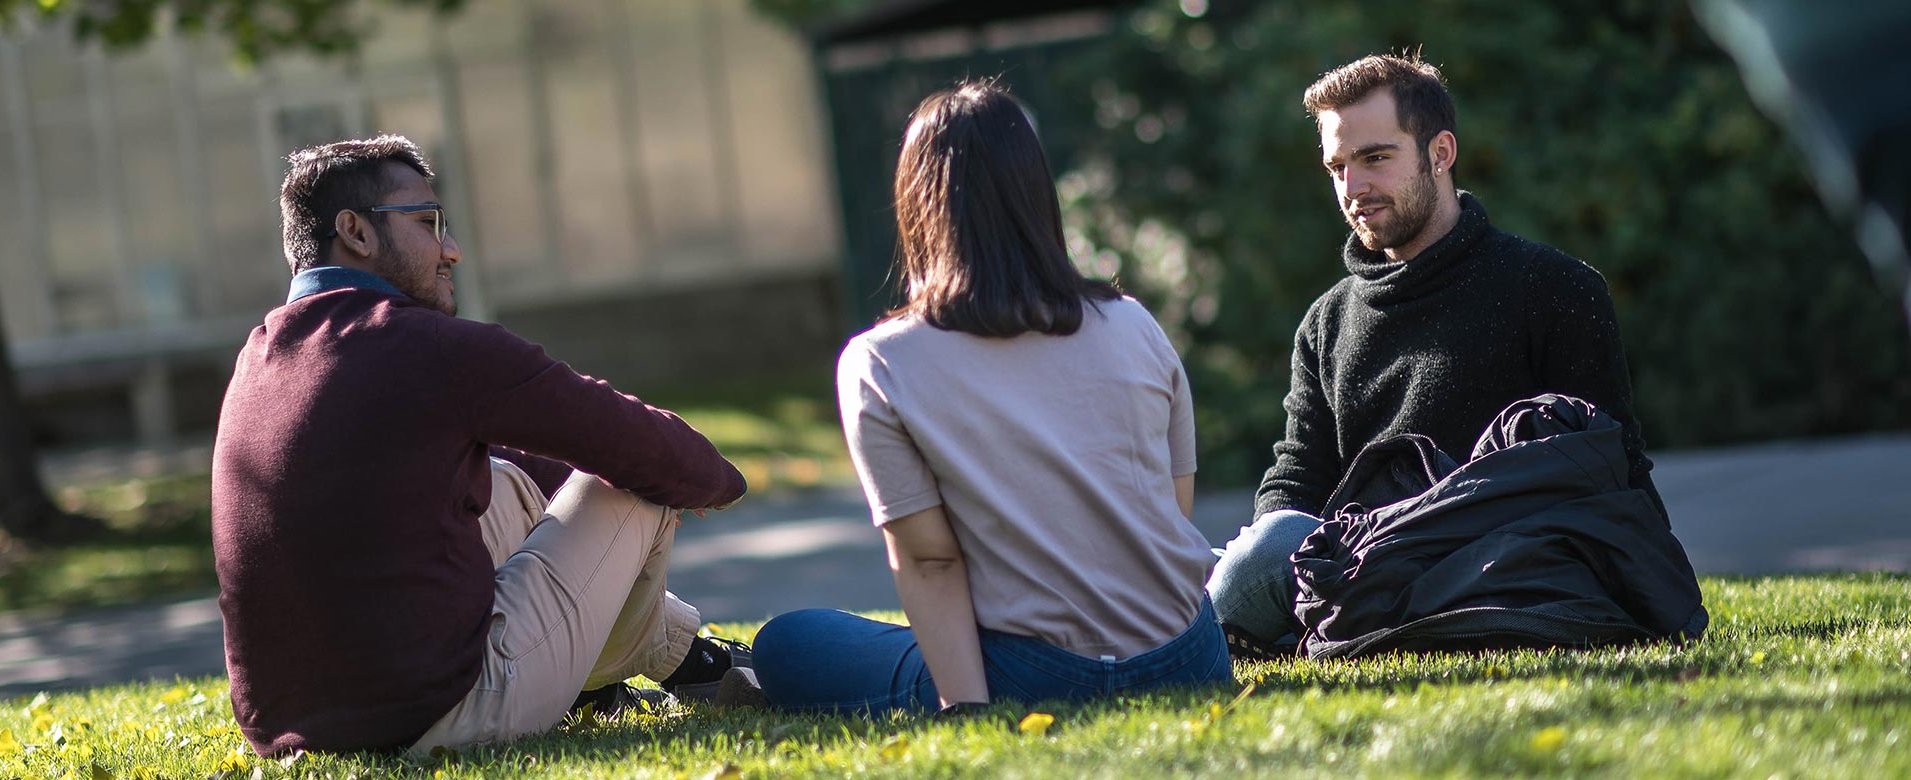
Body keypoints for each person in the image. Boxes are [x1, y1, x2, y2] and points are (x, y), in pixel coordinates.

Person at [212, 134, 755, 758]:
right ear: (356, 233)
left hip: (291, 733)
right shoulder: (427, 346)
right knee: (629, 484)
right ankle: (675, 664)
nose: (452, 249)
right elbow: (641, 445)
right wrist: (719, 483)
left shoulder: (260, 358)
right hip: (441, 716)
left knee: (500, 482)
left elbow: (530, 461)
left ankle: (681, 660)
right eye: (427, 222)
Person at [748, 81, 1232, 715]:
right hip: (1190, 658)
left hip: (1032, 674)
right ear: (1038, 194)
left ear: (916, 203)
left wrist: (968, 709)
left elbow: (930, 562)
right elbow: (1172, 509)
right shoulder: (1134, 322)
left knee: (789, 641)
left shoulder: (880, 363)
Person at [1207, 54, 1668, 658]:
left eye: (1375, 158)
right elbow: (1297, 477)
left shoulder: (1555, 288)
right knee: (1235, 555)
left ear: (1440, 153)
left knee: (1250, 564)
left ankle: (1214, 640)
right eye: (1337, 167)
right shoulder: (1326, 322)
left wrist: (1648, 583)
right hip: (1360, 565)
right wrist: (1289, 558)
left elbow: (1612, 462)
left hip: (1494, 561)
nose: (1353, 189)